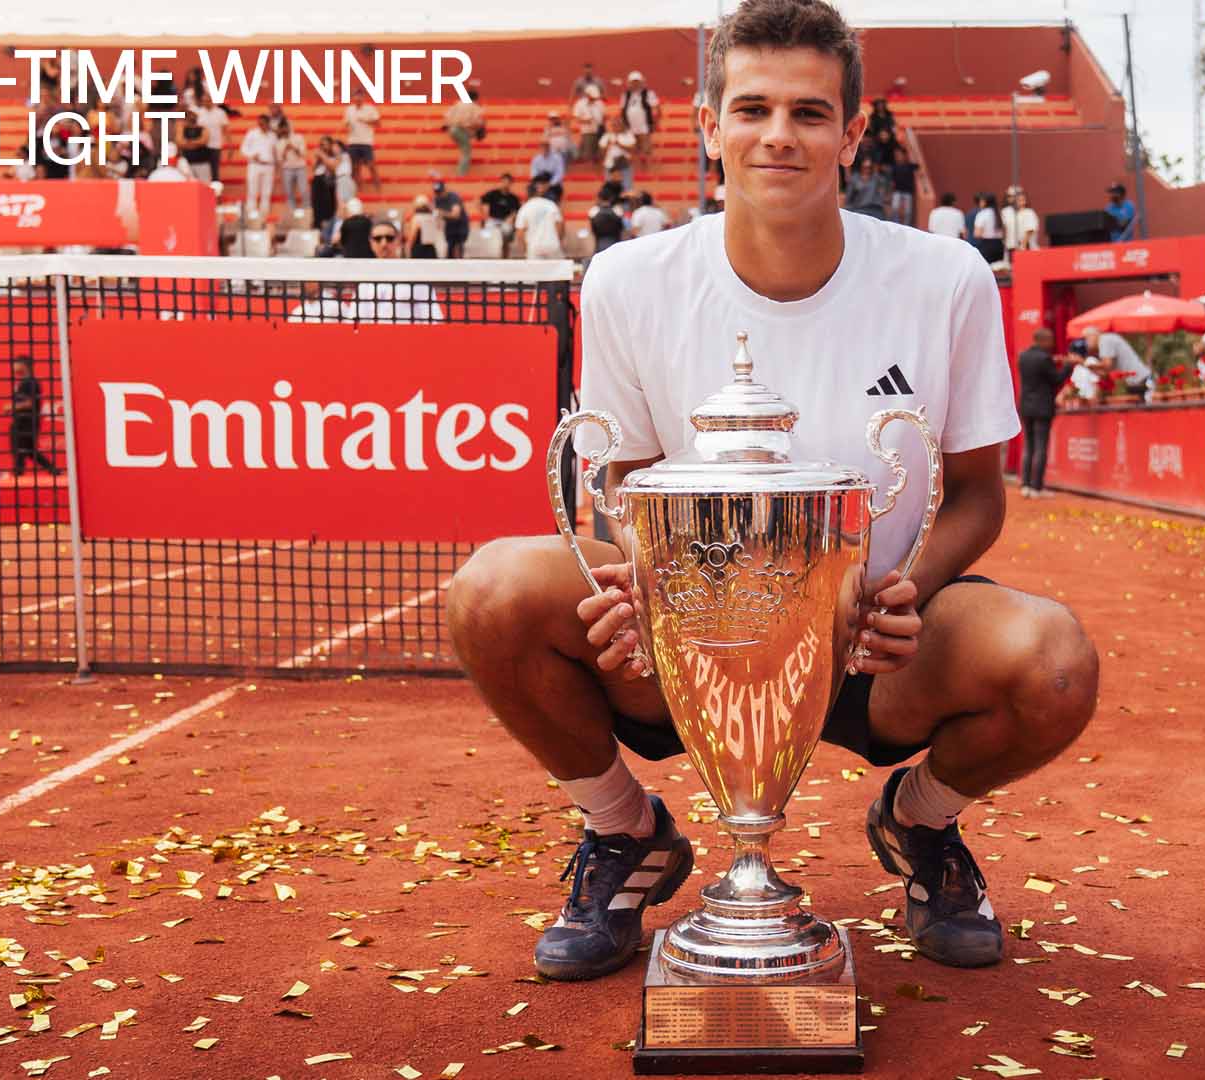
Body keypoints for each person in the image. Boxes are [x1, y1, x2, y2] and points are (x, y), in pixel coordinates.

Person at [445, 0, 1097, 984]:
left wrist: (902, 592)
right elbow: (622, 481)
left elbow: (977, 495)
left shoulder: (948, 278)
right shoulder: (626, 281)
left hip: (879, 641)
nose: (778, 135)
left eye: (809, 112)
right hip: (700, 633)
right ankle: (626, 835)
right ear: (710, 127)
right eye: (752, 109)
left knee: (1053, 662)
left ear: (851, 132)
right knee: (492, 591)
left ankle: (919, 823)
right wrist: (641, 579)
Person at [1016, 328, 1070, 498]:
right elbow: (1057, 379)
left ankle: (1025, 485)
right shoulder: (1044, 358)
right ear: (1044, 340)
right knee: (1040, 447)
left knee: (1028, 446)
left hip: (1026, 406)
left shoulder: (1023, 357)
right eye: (1051, 340)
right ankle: (1037, 487)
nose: (1052, 344)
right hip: (1042, 408)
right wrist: (1068, 365)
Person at [9, 358, 58, 474]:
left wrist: (12, 407)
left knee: (20, 447)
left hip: (26, 421)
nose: (13, 367)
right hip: (25, 420)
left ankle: (18, 471)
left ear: (24, 365)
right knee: (29, 449)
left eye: (16, 364)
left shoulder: (30, 382)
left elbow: (30, 403)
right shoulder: (24, 382)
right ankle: (52, 469)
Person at [1082, 328, 1154, 397]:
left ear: (1093, 335)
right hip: (1137, 381)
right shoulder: (1107, 339)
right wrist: (1087, 365)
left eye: (1087, 339)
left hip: (1140, 380)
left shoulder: (1105, 340)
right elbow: (1105, 373)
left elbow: (1107, 364)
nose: (1086, 343)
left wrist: (1087, 364)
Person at [514, 177, 565, 259]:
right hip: (552, 245)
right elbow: (560, 226)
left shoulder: (525, 208)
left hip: (534, 248)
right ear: (538, 192)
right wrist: (558, 241)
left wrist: (526, 250)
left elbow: (520, 233)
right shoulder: (551, 205)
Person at [240, 114, 277, 222]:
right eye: (259, 123)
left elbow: (275, 151)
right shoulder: (252, 134)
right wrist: (252, 155)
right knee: (252, 192)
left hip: (269, 166)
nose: (261, 125)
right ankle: (251, 219)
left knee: (266, 193)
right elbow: (243, 149)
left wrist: (277, 164)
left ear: (268, 123)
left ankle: (264, 219)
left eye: (263, 123)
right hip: (254, 165)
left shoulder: (273, 136)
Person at [342, 91, 381, 194]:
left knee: (371, 166)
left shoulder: (370, 109)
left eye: (359, 97)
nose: (357, 99)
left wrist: (365, 120)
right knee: (355, 168)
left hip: (366, 142)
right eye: (355, 97)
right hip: (353, 142)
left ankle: (378, 190)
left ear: (363, 97)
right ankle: (359, 191)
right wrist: (347, 125)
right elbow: (345, 123)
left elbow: (378, 123)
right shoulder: (349, 109)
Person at [445, 90, 486, 177]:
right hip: (461, 130)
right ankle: (461, 175)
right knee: (466, 152)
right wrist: (480, 128)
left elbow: (447, 116)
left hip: (453, 130)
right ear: (475, 98)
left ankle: (461, 173)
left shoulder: (458, 104)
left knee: (465, 148)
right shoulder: (474, 107)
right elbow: (477, 121)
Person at [621, 71, 660, 159]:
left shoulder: (648, 94)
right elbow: (622, 110)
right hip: (630, 128)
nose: (635, 84)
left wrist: (656, 122)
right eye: (633, 82)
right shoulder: (626, 95)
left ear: (641, 82)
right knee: (633, 151)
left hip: (644, 127)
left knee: (646, 150)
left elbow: (656, 108)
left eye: (637, 82)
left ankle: (647, 166)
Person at [277, 118, 309, 216]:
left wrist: (293, 147)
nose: (284, 129)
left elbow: (303, 154)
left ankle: (307, 212)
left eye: (285, 127)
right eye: (282, 127)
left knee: (304, 191)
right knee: (289, 193)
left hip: (300, 167)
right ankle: (292, 214)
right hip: (287, 169)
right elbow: (280, 159)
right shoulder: (279, 142)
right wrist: (285, 150)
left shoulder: (298, 137)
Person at [481, 172, 522, 249]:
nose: (505, 184)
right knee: (487, 232)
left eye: (508, 182)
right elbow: (483, 204)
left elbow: (516, 211)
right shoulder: (492, 194)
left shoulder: (514, 198)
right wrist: (486, 216)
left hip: (505, 222)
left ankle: (504, 252)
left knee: (507, 230)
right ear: (500, 182)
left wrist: (511, 218)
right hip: (492, 220)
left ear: (511, 183)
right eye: (504, 182)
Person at [432, 173, 469, 258]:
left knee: (459, 247)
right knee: (449, 248)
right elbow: (437, 214)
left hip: (460, 226)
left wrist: (441, 213)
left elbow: (456, 214)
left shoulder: (453, 197)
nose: (439, 194)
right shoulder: (437, 199)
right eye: (437, 193)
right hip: (449, 226)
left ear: (445, 190)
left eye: (440, 192)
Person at [601, 113, 638, 194]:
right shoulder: (606, 136)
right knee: (609, 189)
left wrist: (619, 144)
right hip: (609, 165)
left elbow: (633, 149)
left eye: (618, 124)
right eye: (614, 124)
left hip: (625, 165)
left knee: (627, 188)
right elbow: (601, 152)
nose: (616, 126)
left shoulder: (628, 135)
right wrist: (607, 146)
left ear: (622, 125)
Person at [589, 181, 626, 258]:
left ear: (599, 198)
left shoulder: (593, 211)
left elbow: (592, 229)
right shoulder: (618, 210)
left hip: (600, 243)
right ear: (611, 198)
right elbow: (621, 228)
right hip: (615, 243)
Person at [573, 84, 607, 167]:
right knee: (588, 153)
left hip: (599, 130)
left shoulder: (600, 103)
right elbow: (576, 118)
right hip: (587, 131)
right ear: (587, 94)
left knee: (598, 152)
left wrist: (603, 126)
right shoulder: (580, 104)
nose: (594, 99)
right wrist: (586, 121)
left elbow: (604, 116)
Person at [888, 144, 919, 225]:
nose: (897, 157)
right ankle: (895, 224)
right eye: (896, 155)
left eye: (899, 155)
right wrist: (890, 192)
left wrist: (913, 151)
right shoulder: (894, 167)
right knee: (895, 208)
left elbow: (918, 166)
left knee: (908, 211)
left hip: (907, 191)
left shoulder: (910, 166)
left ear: (904, 155)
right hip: (897, 191)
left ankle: (906, 226)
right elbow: (892, 181)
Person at [971, 192, 1004, 263]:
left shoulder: (982, 214)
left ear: (985, 202)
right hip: (999, 244)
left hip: (987, 245)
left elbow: (977, 234)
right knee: (998, 267)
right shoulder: (999, 213)